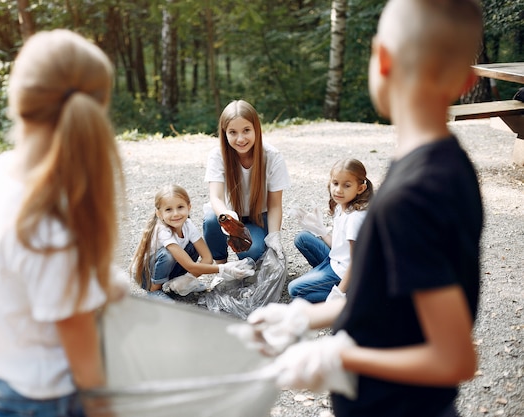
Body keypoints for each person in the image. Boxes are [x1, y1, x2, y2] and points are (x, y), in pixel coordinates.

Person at [234, 1, 485, 416]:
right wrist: (303, 319)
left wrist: (338, 357)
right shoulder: (445, 164)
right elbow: (385, 300)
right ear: (464, 81)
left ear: (381, 59)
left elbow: (454, 359)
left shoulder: (414, 195)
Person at [0, 29, 126, 417]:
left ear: (18, 98)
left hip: (1, 381)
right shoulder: (49, 225)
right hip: (51, 399)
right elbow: (86, 369)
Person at [203, 99, 291, 263]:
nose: (240, 139)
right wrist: (227, 217)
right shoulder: (217, 155)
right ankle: (222, 267)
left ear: (256, 129)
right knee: (210, 220)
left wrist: (274, 236)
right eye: (233, 132)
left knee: (253, 252)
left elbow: (274, 205)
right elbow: (215, 198)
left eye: (246, 130)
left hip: (258, 217)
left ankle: (253, 256)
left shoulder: (272, 156)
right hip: (230, 214)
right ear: (224, 133)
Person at [130, 184, 255, 299]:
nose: (176, 214)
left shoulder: (188, 224)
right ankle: (154, 291)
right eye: (168, 209)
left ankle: (173, 284)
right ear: (159, 213)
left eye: (180, 207)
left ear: (189, 207)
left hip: (169, 268)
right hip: (147, 275)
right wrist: (224, 269)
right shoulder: (162, 231)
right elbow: (190, 265)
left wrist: (187, 279)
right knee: (167, 255)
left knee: (192, 247)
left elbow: (207, 258)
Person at [288, 159, 373, 303]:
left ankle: (349, 297)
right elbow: (340, 247)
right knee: (302, 238)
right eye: (335, 183)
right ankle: (324, 282)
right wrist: (321, 231)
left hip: (345, 271)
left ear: (360, 189)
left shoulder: (354, 218)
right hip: (334, 260)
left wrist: (339, 291)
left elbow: (356, 261)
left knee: (295, 291)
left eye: (346, 185)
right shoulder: (342, 206)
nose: (338, 190)